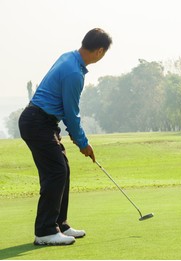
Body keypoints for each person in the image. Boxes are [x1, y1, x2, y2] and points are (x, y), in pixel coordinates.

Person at [18, 28, 112, 246]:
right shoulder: (74, 73)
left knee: (63, 169)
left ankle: (60, 224)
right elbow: (71, 113)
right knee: (56, 171)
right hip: (37, 122)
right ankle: (45, 231)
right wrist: (83, 143)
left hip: (41, 122)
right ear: (99, 51)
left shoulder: (69, 56)